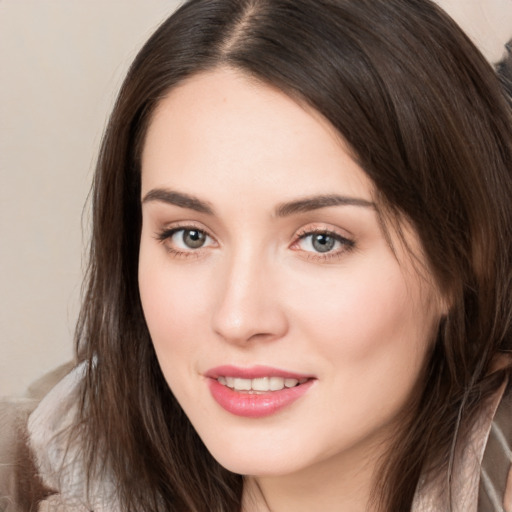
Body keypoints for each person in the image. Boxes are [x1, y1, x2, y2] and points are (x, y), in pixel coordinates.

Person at [2, 0, 512, 510]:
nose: (238, 318)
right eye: (190, 236)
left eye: (321, 240)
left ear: (469, 256)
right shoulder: (38, 466)